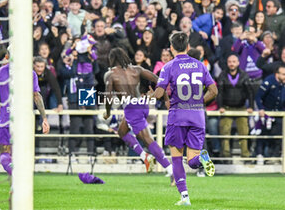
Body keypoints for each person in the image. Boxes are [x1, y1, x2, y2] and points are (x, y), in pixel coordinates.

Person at [149, 32, 218, 206]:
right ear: (188, 47)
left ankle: (185, 197)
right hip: (197, 115)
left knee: (177, 157)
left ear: (171, 48)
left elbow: (158, 94)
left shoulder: (169, 66)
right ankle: (201, 158)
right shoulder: (200, 65)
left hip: (178, 115)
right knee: (193, 160)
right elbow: (214, 91)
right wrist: (197, 102)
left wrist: (153, 92)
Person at [103, 47, 174, 181]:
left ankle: (171, 170)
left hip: (131, 108)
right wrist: (165, 99)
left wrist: (107, 112)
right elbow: (159, 80)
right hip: (142, 104)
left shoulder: (111, 74)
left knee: (148, 141)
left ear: (112, 59)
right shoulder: (137, 69)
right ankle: (145, 157)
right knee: (122, 132)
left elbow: (108, 97)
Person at [0, 49, 50, 175]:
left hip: (5, 121)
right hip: (23, 122)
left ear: (7, 55)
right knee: (21, 155)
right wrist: (44, 118)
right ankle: (18, 181)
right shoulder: (30, 74)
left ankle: (15, 178)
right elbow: (36, 96)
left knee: (4, 155)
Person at [217, 55, 253, 160]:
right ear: (227, 63)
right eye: (229, 61)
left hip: (241, 107)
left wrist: (250, 106)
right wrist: (220, 106)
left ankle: (245, 156)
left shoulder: (244, 75)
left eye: (234, 61)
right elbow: (220, 92)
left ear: (238, 63)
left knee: (244, 132)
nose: (231, 64)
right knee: (225, 132)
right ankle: (226, 156)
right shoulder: (222, 75)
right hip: (226, 108)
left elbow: (250, 92)